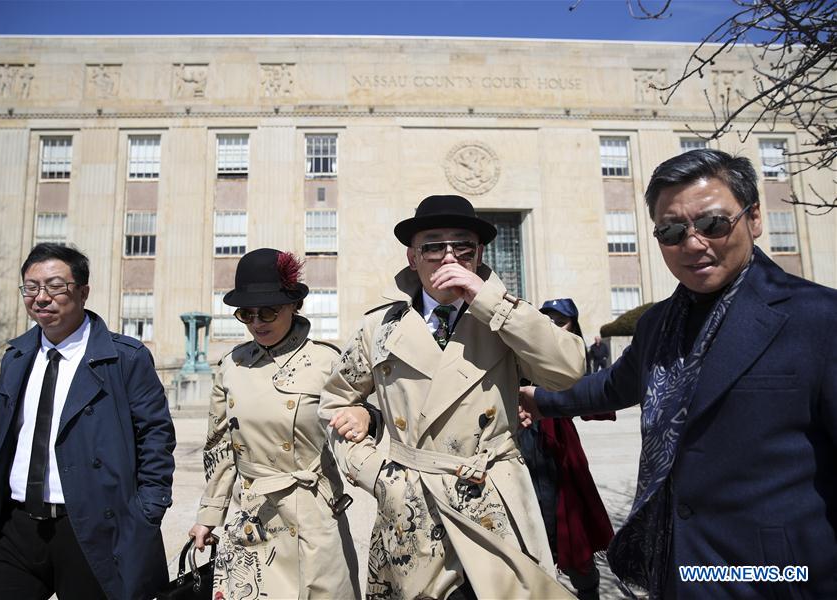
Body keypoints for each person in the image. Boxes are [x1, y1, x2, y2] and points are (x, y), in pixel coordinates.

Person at [521, 149, 837, 598]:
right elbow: (613, 386)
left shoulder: (819, 318)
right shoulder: (656, 324)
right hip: (678, 566)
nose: (693, 244)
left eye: (713, 225)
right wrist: (537, 398)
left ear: (755, 219)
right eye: (672, 231)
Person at [319, 195, 586, 599]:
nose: (449, 257)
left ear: (478, 255)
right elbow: (335, 402)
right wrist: (374, 473)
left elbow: (567, 371)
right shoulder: (380, 328)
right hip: (410, 504)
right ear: (413, 258)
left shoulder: (510, 318)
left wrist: (490, 301)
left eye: (463, 247)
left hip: (493, 499)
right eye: (433, 246)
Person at [0, 243, 175, 600]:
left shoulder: (124, 358)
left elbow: (155, 436)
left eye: (54, 286)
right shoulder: (17, 357)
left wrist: (147, 512)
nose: (41, 297)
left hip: (92, 528)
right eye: (31, 287)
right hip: (16, 527)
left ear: (82, 292)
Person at [188, 248, 369, 599]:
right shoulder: (232, 365)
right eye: (247, 313)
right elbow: (221, 448)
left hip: (316, 515)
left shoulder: (326, 361)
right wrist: (208, 515)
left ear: (293, 307)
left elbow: (361, 428)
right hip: (256, 520)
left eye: (268, 310)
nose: (257, 322)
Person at [518, 298, 615, 600]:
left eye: (560, 321)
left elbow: (595, 398)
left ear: (573, 325)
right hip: (517, 447)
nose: (553, 326)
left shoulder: (573, 358)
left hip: (557, 451)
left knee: (571, 531)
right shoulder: (520, 350)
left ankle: (588, 591)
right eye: (546, 320)